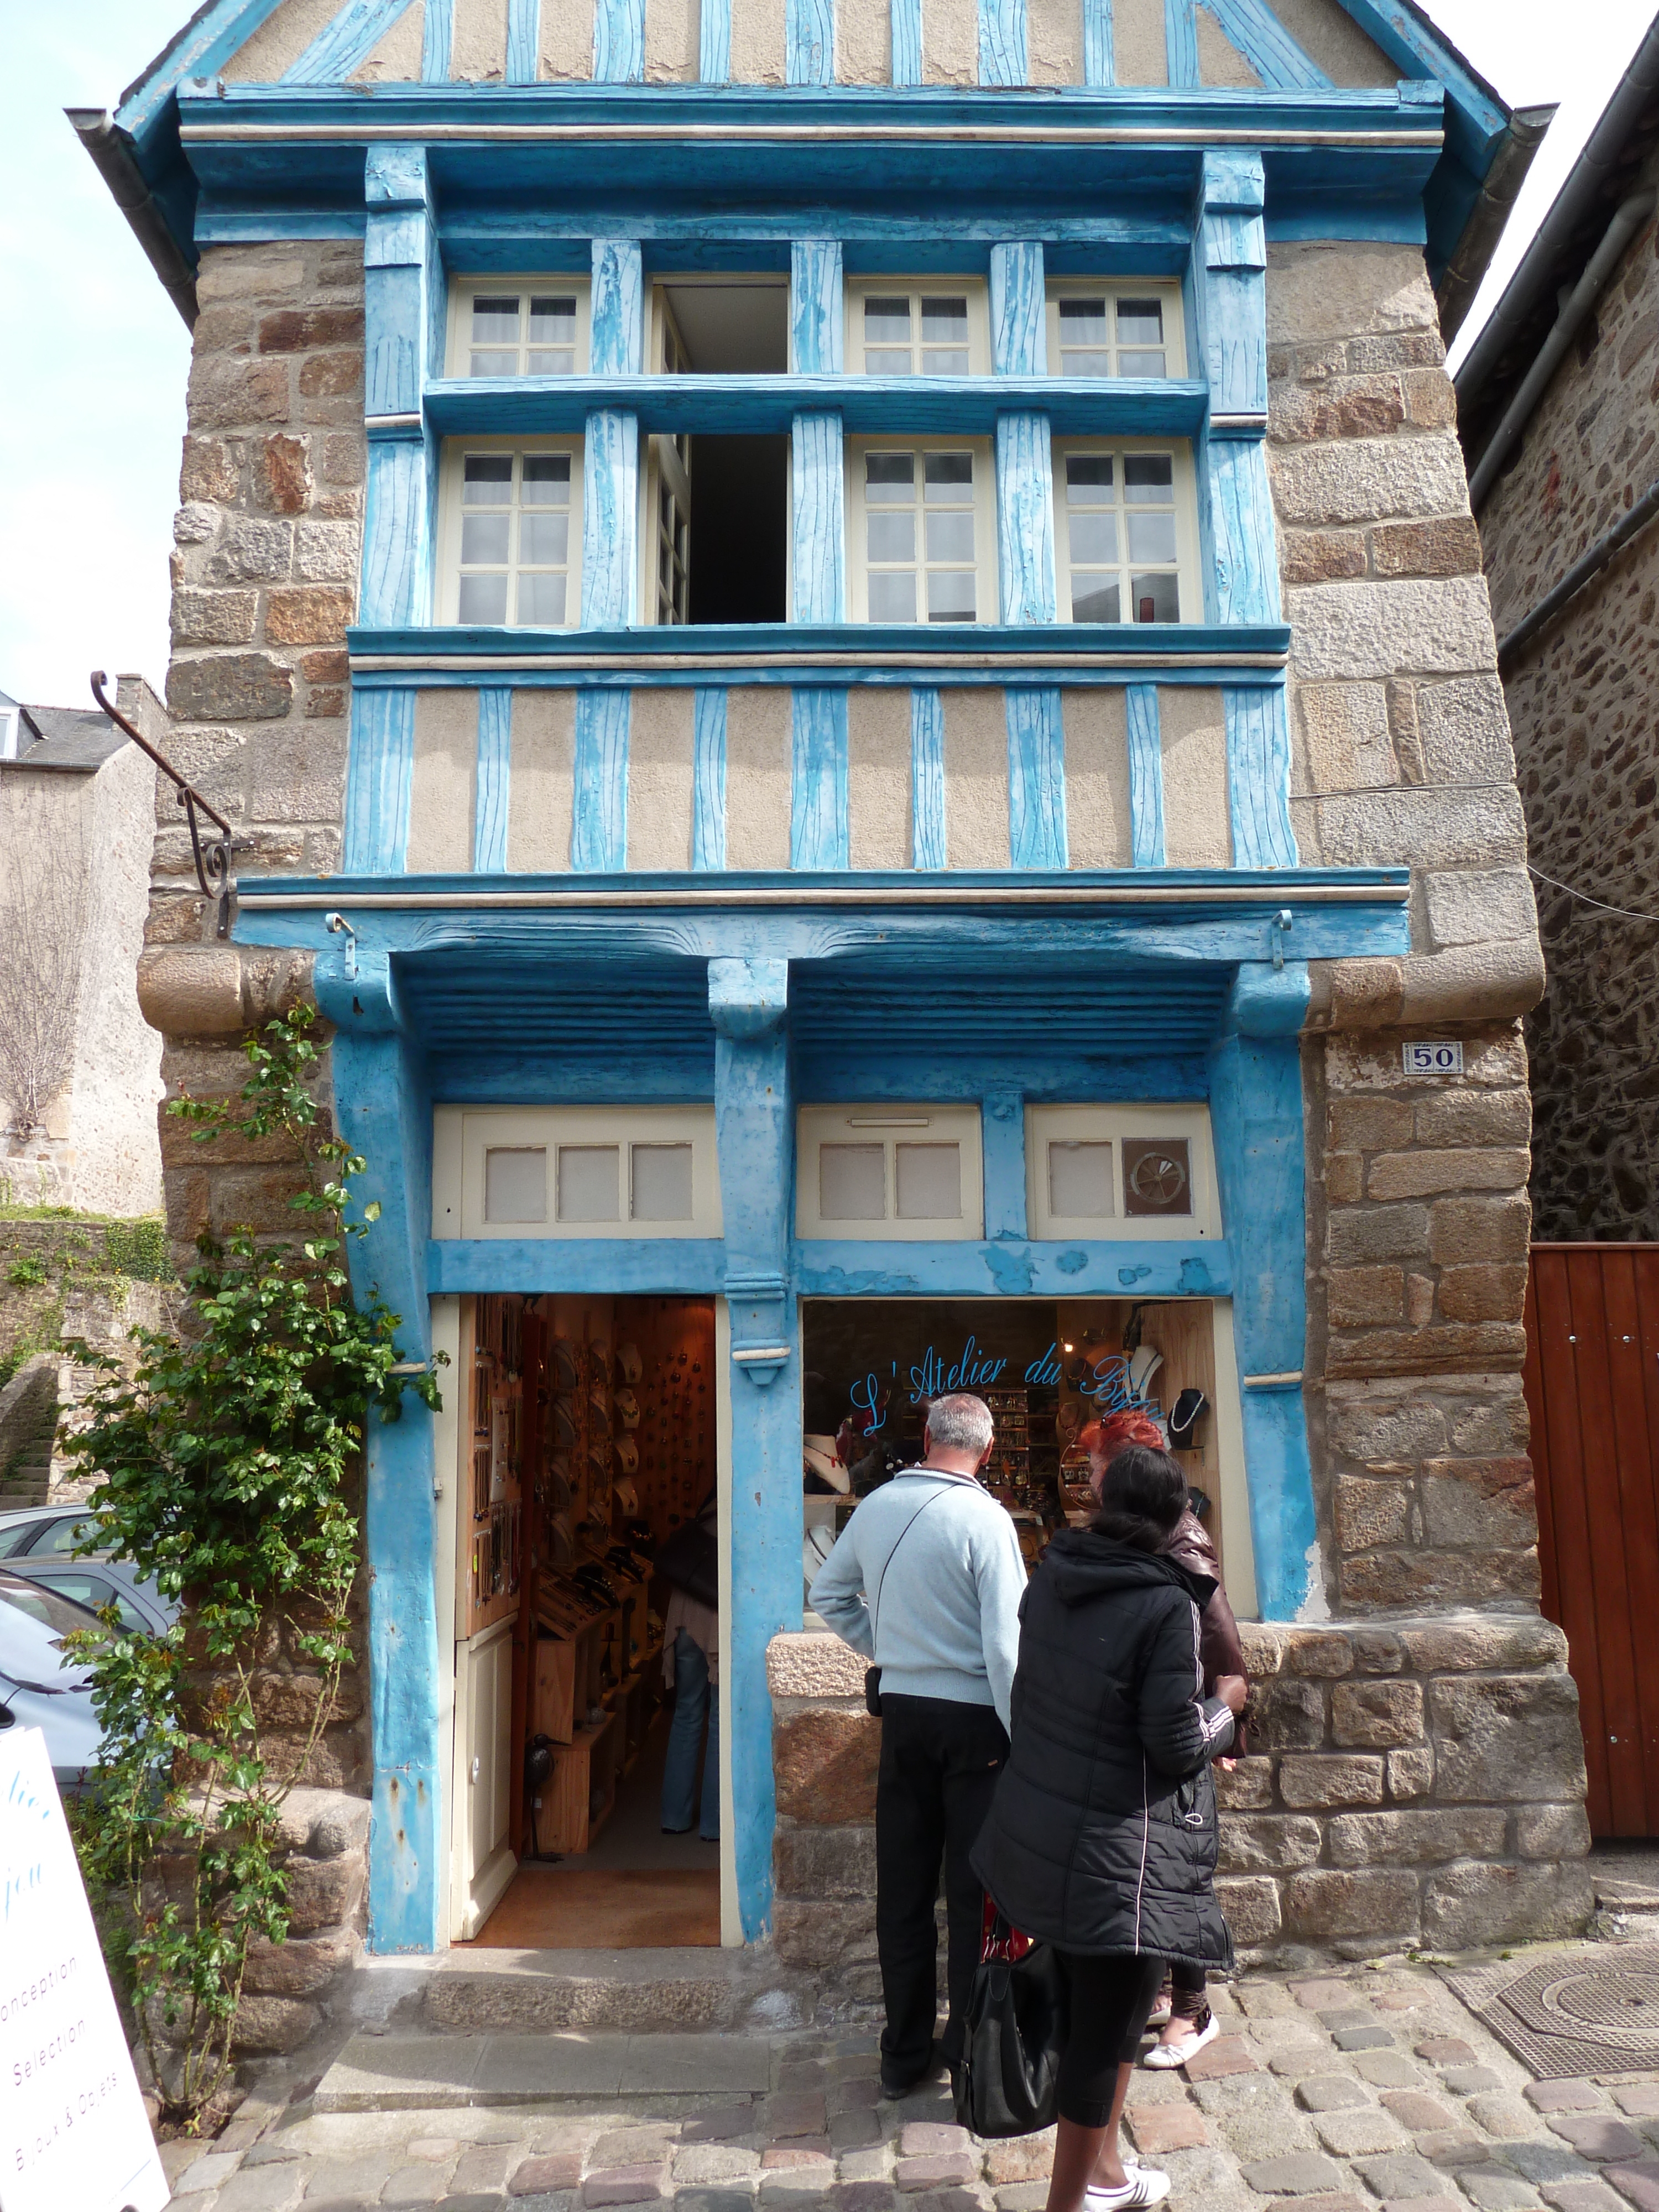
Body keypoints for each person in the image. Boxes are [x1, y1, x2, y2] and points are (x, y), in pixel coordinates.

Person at [973, 1440, 1248, 2212]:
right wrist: (1230, 1703)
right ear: (1173, 1520)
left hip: (1045, 1821)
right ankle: (1072, 2203)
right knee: (1106, 2026)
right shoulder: (1164, 1604)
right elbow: (1173, 1743)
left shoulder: (1055, 1575)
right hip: (1116, 1850)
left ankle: (1104, 2176)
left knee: (1115, 2012)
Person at [810, 1391, 1028, 2099]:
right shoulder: (987, 1519)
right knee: (971, 1894)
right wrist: (1023, 1731)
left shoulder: (874, 1507)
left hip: (904, 1713)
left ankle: (903, 2054)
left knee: (902, 1891)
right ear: (987, 1451)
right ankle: (966, 2053)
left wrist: (894, 1653)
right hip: (976, 1724)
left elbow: (830, 1595)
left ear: (929, 1437)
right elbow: (1005, 1644)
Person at [1081, 1412, 1250, 2069]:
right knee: (1155, 1870)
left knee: (1179, 1873)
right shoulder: (1148, 1533)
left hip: (1185, 1725)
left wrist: (1227, 1722)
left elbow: (1220, 1637)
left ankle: (1193, 2007)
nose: (1090, 1476)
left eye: (1097, 1464)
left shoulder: (1182, 1543)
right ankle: (1165, 1996)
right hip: (1159, 1720)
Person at [656, 1492, 719, 1841]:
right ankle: (714, 1825)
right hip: (715, 1616)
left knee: (686, 1713)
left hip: (685, 1615)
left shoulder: (709, 1504)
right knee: (719, 1721)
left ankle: (674, 1817)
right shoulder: (748, 1507)